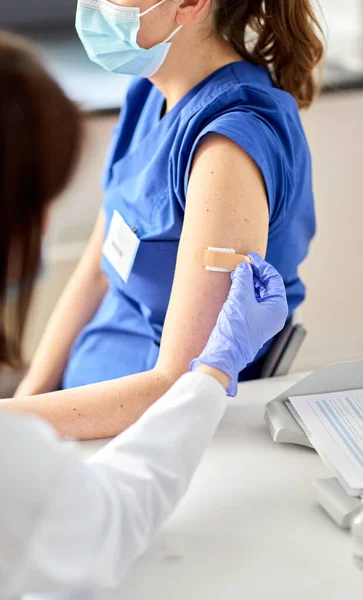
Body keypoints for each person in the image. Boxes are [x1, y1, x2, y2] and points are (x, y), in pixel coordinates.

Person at [0, 31, 288, 595]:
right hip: (93, 442)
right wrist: (19, 421)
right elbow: (106, 521)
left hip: (108, 426)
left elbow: (97, 271)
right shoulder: (153, 98)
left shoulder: (222, 139)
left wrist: (25, 404)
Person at [12, 0, 323, 440]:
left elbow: (179, 385)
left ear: (190, 4)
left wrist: (14, 423)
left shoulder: (227, 150)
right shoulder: (150, 94)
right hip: (74, 409)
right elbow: (97, 272)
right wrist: (29, 396)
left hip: (143, 437)